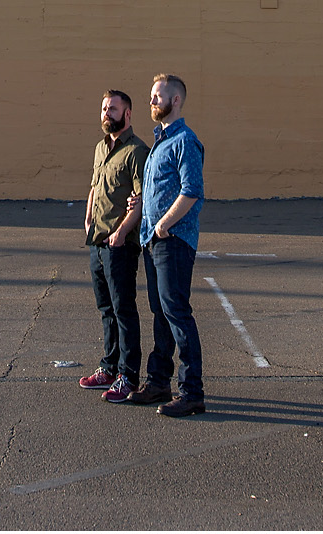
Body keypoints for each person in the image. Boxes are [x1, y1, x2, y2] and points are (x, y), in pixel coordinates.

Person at [129, 72, 206, 417]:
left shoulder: (184, 140)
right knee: (160, 312)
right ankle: (159, 381)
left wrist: (162, 224)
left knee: (176, 312)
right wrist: (142, 206)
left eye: (158, 96)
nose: (152, 101)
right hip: (153, 238)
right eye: (151, 96)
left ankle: (192, 392)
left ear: (176, 100)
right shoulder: (160, 141)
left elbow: (191, 191)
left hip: (172, 240)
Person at [80, 89, 150, 403]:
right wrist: (87, 218)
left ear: (128, 114)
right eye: (105, 108)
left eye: (113, 108)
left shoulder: (136, 151)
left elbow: (141, 199)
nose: (107, 113)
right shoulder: (100, 148)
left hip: (120, 244)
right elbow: (95, 186)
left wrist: (122, 232)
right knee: (106, 309)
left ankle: (128, 376)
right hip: (97, 241)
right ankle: (108, 367)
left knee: (124, 310)